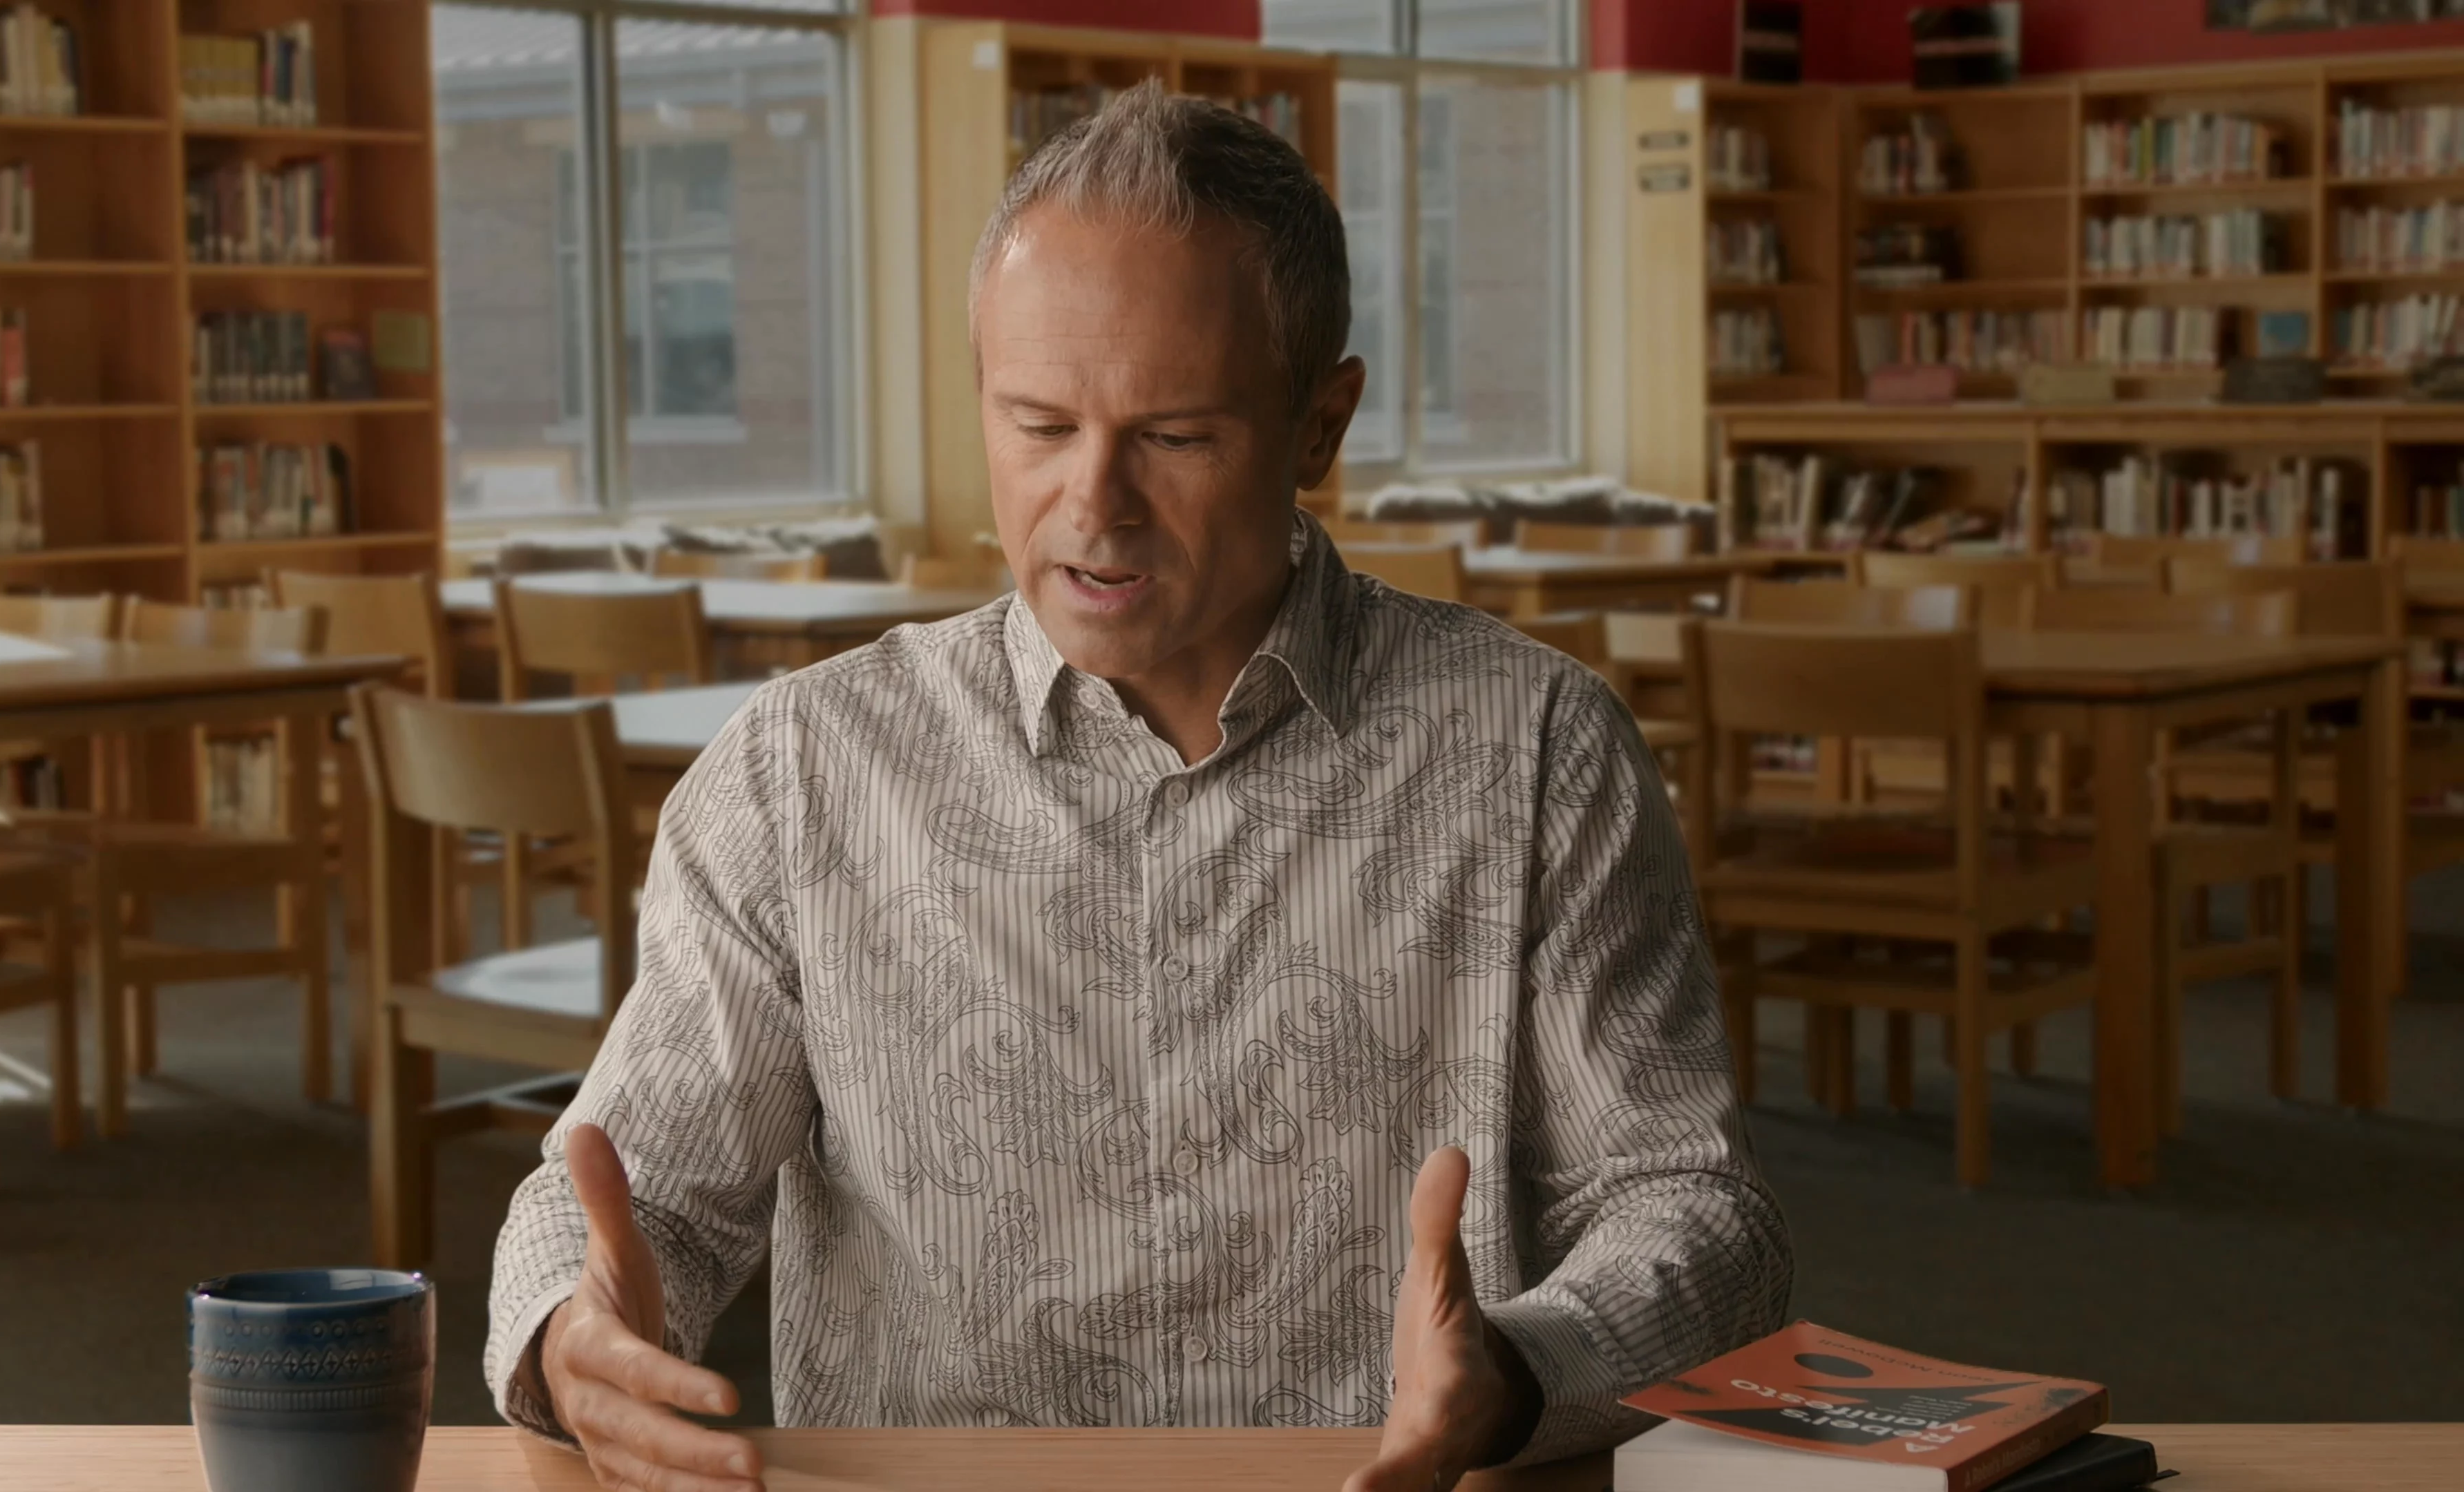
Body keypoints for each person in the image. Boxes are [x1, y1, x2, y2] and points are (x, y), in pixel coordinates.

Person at [486, 80, 1791, 1492]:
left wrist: (1523, 1370)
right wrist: (570, 1338)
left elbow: (1693, 1210)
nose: (1093, 505)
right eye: (1039, 426)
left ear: (1320, 425)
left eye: (1175, 438)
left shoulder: (1538, 751)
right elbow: (626, 1197)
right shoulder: (800, 773)